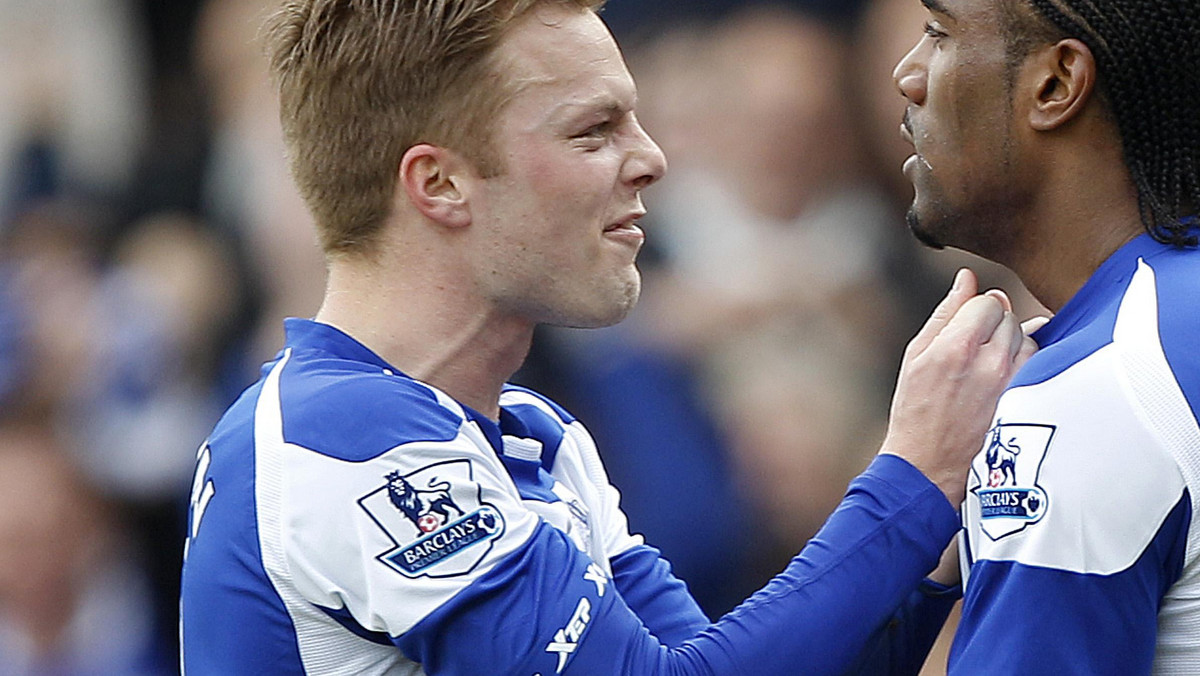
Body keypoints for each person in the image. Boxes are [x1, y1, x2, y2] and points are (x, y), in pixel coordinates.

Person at [179, 1, 1033, 674]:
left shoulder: (531, 434)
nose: (652, 158)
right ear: (439, 183)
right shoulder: (347, 440)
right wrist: (914, 475)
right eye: (595, 130)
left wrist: (936, 543)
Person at [892, 0, 1200, 673]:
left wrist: (903, 495)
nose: (907, 75)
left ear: (1056, 84)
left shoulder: (1094, 390)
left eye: (940, 34)